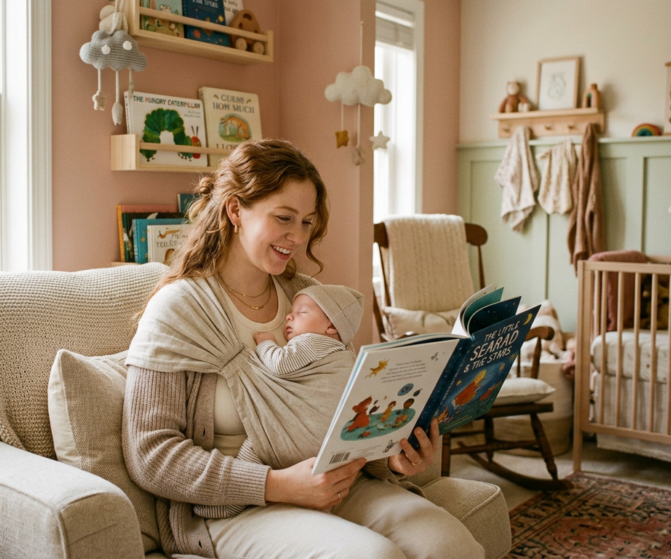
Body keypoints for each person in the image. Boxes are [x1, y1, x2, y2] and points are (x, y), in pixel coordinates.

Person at [123, 138, 484, 559]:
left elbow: (342, 415)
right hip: (234, 507)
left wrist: (393, 459)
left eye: (308, 223)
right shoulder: (180, 309)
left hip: (335, 481)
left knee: (451, 546)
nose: (297, 237)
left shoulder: (309, 298)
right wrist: (276, 485)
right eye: (284, 218)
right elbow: (150, 453)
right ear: (235, 210)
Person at [194, 284, 365, 519]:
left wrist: (266, 343)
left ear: (332, 326)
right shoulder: (345, 355)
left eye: (302, 312)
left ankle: (229, 504)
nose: (290, 315)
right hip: (328, 447)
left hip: (300, 438)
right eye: (292, 311)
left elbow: (281, 364)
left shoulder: (312, 342)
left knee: (257, 442)